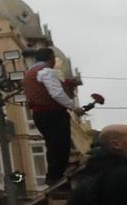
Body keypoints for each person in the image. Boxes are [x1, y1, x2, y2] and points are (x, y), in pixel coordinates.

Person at [23, 47, 95, 186]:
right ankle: (56, 176)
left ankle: (53, 175)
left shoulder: (30, 73)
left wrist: (67, 84)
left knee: (53, 144)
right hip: (53, 113)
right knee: (62, 145)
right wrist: (74, 108)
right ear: (51, 58)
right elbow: (56, 93)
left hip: (39, 114)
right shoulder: (46, 71)